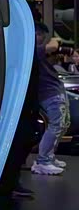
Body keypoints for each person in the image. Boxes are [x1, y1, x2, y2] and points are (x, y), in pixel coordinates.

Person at [0, 0, 41, 210]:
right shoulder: (10, 8)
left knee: (20, 139)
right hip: (13, 91)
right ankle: (0, 202)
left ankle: (4, 194)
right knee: (14, 141)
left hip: (18, 89)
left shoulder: (4, 5)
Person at [32, 22, 68, 175]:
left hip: (55, 91)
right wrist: (56, 40)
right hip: (49, 94)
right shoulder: (33, 49)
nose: (42, 38)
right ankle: (43, 161)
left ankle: (49, 157)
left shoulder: (39, 51)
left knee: (63, 125)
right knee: (56, 125)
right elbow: (53, 45)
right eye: (40, 35)